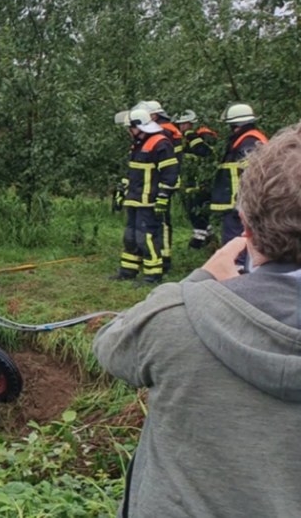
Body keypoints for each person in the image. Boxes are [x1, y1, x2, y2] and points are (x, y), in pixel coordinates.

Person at [93, 123, 301, 518]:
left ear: (245, 224)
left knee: (150, 242)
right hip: (140, 205)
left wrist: (198, 282)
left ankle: (150, 269)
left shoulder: (176, 317)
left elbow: (111, 346)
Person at [110, 108, 178, 284]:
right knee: (130, 236)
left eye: (130, 128)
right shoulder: (139, 144)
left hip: (149, 201)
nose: (128, 132)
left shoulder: (160, 143)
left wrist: (163, 196)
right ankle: (128, 271)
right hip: (135, 199)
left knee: (146, 237)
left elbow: (170, 174)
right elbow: (133, 173)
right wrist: (121, 191)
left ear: (139, 126)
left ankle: (153, 275)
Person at [210, 103, 268, 255]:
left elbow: (252, 173)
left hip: (239, 202)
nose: (231, 129)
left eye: (232, 125)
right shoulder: (246, 140)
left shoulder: (248, 142)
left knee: (236, 241)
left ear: (238, 125)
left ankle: (237, 271)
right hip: (239, 201)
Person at [172, 110, 218, 249]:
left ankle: (200, 238)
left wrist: (191, 136)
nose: (182, 127)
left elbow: (205, 152)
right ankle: (208, 236)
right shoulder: (182, 137)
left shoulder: (204, 134)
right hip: (190, 180)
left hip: (203, 180)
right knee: (191, 208)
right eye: (180, 124)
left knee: (197, 208)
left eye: (184, 124)